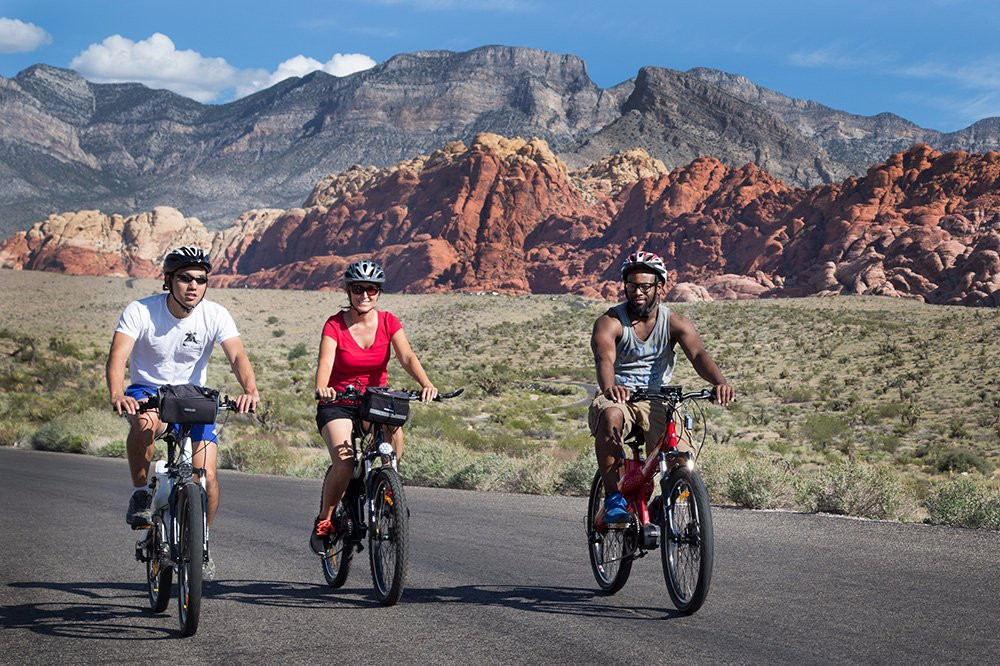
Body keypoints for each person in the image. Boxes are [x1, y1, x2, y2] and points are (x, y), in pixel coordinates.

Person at [106, 245, 259, 578]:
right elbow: (118, 356)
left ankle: (200, 541)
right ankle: (140, 493)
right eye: (185, 278)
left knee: (208, 477)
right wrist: (118, 392)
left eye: (201, 280)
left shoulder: (215, 315)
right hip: (148, 392)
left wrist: (250, 390)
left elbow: (237, 357)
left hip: (192, 397)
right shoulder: (141, 311)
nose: (193, 286)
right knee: (144, 425)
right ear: (168, 280)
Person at [589, 250, 735, 523]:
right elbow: (604, 358)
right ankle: (613, 500)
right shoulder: (610, 322)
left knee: (682, 461)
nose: (638, 292)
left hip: (658, 399)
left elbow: (699, 355)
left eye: (645, 286)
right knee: (610, 417)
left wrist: (719, 382)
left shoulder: (675, 322)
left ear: (660, 287)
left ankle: (660, 505)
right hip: (618, 395)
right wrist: (610, 387)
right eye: (632, 285)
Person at [312, 259, 437, 541]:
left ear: (379, 292)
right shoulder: (334, 324)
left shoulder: (389, 321)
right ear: (349, 292)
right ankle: (325, 519)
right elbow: (325, 360)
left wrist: (426, 383)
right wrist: (322, 387)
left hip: (374, 400)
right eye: (358, 289)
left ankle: (388, 488)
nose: (365, 295)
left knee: (394, 439)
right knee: (344, 463)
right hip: (339, 401)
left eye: (371, 289)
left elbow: (406, 356)